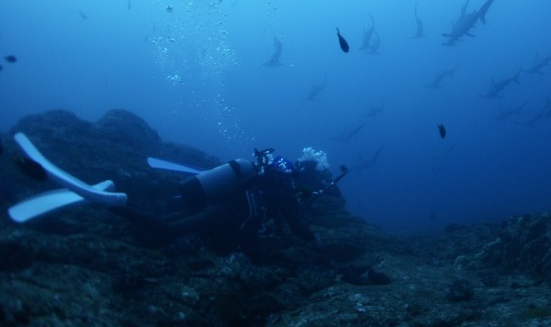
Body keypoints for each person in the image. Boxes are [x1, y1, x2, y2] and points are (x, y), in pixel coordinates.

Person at [7, 133, 347, 255]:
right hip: (223, 216)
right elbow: (295, 225)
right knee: (164, 231)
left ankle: (115, 197)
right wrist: (315, 239)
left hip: (219, 205)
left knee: (162, 221)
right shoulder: (285, 190)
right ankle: (112, 203)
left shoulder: (268, 177)